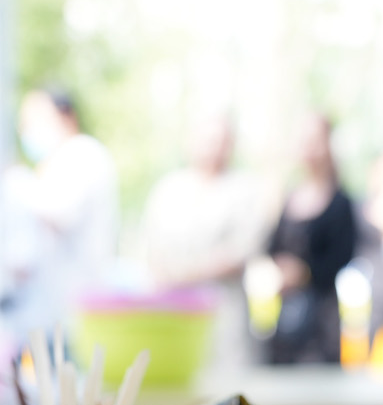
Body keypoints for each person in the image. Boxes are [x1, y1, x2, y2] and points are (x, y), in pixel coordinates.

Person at [141, 114, 271, 369]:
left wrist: (182, 275)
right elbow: (151, 252)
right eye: (207, 140)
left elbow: (241, 253)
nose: (214, 148)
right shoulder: (168, 190)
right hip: (173, 318)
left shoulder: (244, 190)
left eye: (221, 141)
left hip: (224, 322)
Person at [10, 88, 117, 337]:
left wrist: (20, 183)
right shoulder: (55, 162)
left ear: (66, 117)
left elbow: (58, 213)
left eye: (34, 120)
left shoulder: (83, 154)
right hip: (54, 309)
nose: (27, 130)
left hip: (79, 304)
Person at [266, 112, 358, 365]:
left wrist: (304, 272)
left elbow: (343, 256)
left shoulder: (340, 202)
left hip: (321, 318)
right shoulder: (288, 196)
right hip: (286, 310)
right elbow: (271, 246)